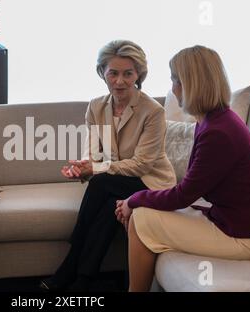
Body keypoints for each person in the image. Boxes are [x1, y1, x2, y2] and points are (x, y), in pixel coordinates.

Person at [116, 45, 250, 292]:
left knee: (141, 218)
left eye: (175, 80)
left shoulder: (218, 132)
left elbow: (183, 195)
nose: (172, 88)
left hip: (244, 237)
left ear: (192, 84)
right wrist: (138, 202)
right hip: (234, 222)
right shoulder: (215, 120)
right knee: (142, 215)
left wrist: (134, 200)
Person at [39, 40, 176, 291]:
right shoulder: (97, 106)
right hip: (116, 182)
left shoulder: (152, 112)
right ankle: (82, 280)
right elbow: (94, 154)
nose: (120, 81)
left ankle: (70, 265)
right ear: (102, 72)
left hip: (150, 182)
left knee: (102, 182)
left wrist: (96, 169)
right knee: (107, 210)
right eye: (113, 73)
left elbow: (141, 165)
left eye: (128, 74)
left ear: (139, 75)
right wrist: (82, 167)